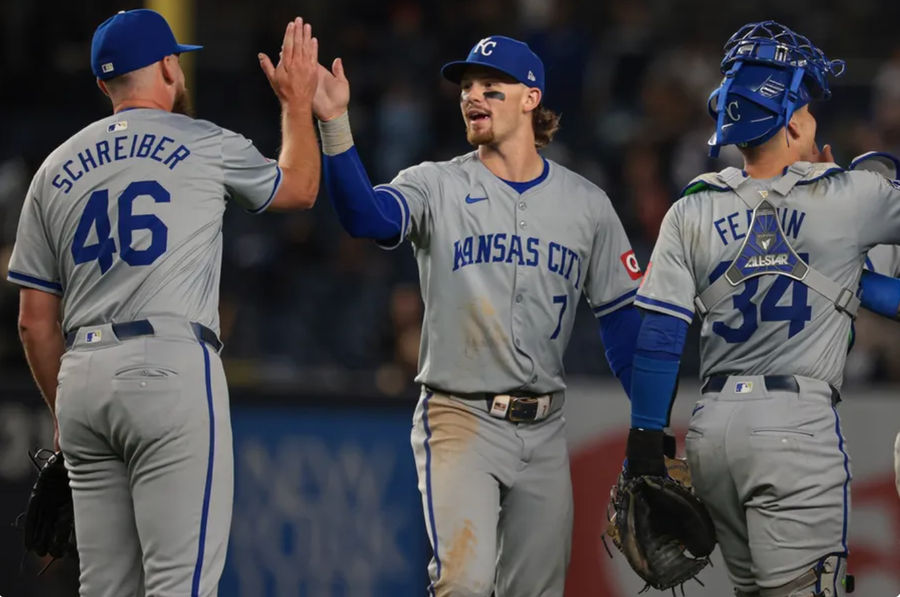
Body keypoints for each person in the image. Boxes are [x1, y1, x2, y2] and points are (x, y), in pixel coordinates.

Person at [312, 36, 642, 596]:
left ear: (531, 98)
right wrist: (335, 124)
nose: (473, 97)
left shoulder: (587, 204)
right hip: (460, 417)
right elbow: (367, 218)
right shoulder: (436, 184)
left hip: (545, 428)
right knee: (462, 584)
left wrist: (651, 424)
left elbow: (622, 321)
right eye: (466, 88)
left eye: (492, 88)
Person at [6, 9, 321, 595]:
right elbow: (300, 187)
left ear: (104, 84)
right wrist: (297, 102)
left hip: (82, 378)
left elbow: (33, 324)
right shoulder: (204, 141)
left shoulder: (52, 169)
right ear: (170, 67)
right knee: (181, 585)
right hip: (168, 367)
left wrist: (62, 406)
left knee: (104, 588)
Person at [622, 21, 900, 597]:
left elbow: (660, 334)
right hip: (795, 429)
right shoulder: (851, 197)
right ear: (794, 118)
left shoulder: (692, 207)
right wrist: (873, 169)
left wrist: (645, 445)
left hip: (712, 431)